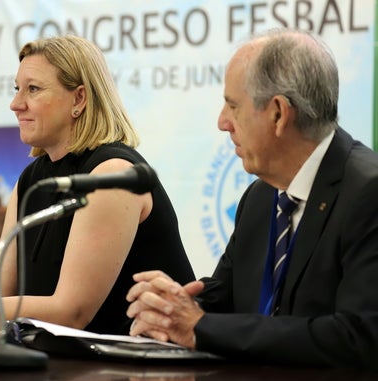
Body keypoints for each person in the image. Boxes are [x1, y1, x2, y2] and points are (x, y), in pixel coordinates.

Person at [126, 28, 378, 369]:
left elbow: (357, 337)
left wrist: (199, 326)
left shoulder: (368, 193)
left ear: (277, 113)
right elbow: (226, 298)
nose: (222, 122)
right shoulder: (260, 196)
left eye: (232, 105)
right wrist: (172, 305)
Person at [0, 35, 195, 335]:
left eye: (33, 89)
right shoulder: (31, 179)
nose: (16, 104)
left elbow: (72, 312)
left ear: (79, 99)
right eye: (17, 89)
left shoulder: (112, 173)